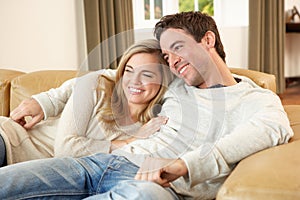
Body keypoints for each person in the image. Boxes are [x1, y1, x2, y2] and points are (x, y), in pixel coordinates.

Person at [0, 11, 293, 200]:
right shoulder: (176, 82)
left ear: (208, 40)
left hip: (155, 185)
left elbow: (272, 130)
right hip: (94, 165)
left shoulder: (255, 100)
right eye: (167, 55)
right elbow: (114, 75)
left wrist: (185, 165)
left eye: (178, 47)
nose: (173, 61)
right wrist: (45, 101)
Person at [0, 39, 174, 167]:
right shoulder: (97, 86)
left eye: (147, 74)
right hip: (9, 139)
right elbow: (66, 149)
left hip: (31, 170)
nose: (134, 81)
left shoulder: (155, 124)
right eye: (129, 71)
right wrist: (130, 141)